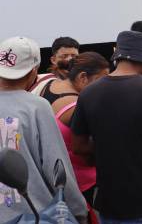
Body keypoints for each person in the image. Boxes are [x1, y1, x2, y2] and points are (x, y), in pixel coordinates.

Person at [71, 31, 142, 223]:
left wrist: (108, 146)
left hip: (112, 201)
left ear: (118, 57)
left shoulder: (88, 94)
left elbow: (78, 146)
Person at [0, 36, 88, 223]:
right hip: (32, 214)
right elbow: (56, 166)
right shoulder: (36, 107)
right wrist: (78, 210)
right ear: (33, 71)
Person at [44, 52, 109, 205]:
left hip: (57, 176)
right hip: (81, 183)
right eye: (101, 80)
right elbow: (85, 147)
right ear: (83, 77)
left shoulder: (51, 87)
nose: (105, 86)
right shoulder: (78, 106)